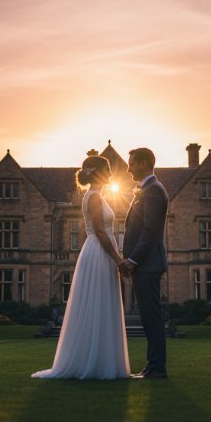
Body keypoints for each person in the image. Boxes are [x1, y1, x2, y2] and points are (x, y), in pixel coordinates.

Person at [32, 156, 130, 379]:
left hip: (99, 252)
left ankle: (102, 363)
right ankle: (95, 364)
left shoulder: (97, 196)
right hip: (99, 253)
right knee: (99, 302)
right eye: (107, 170)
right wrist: (118, 259)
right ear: (98, 173)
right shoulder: (94, 197)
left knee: (102, 303)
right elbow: (100, 232)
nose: (111, 174)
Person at [118, 147, 169, 379]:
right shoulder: (147, 190)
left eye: (132, 163)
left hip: (147, 265)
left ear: (145, 163)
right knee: (149, 317)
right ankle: (152, 366)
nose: (128, 168)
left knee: (151, 316)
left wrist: (132, 259)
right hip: (144, 265)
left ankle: (157, 368)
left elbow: (149, 231)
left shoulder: (154, 191)